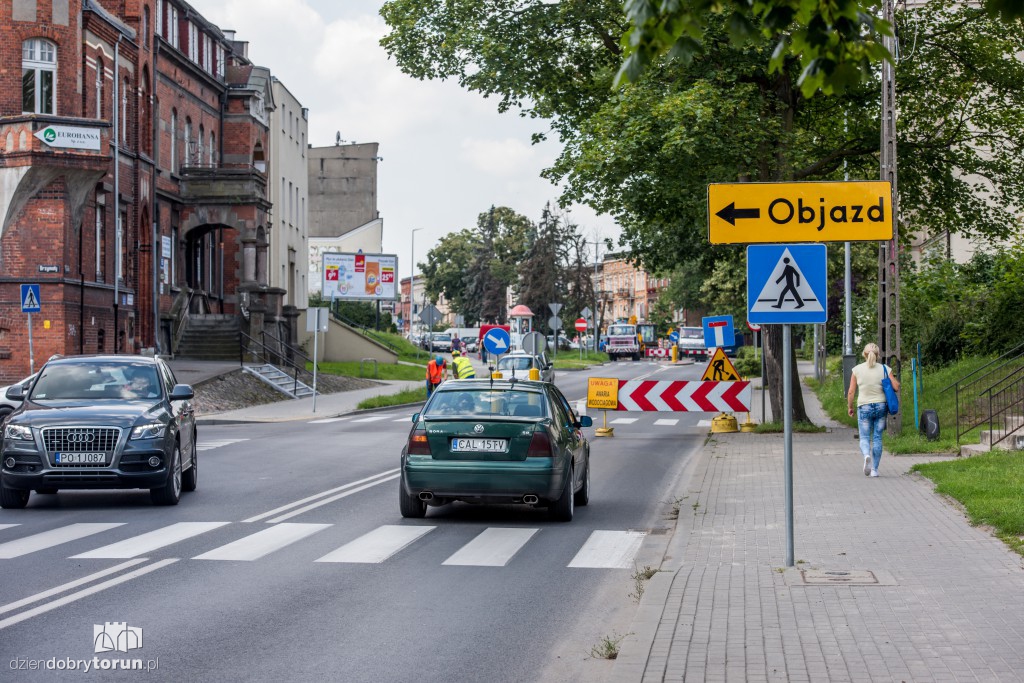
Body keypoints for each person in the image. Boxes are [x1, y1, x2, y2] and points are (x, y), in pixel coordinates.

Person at [847, 342, 900, 477]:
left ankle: (866, 455)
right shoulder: (884, 369)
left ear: (864, 354)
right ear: (878, 355)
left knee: (864, 437)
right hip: (881, 406)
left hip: (864, 407)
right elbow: (896, 387)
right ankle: (874, 470)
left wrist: (850, 407)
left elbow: (851, 392)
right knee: (877, 438)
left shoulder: (857, 370)